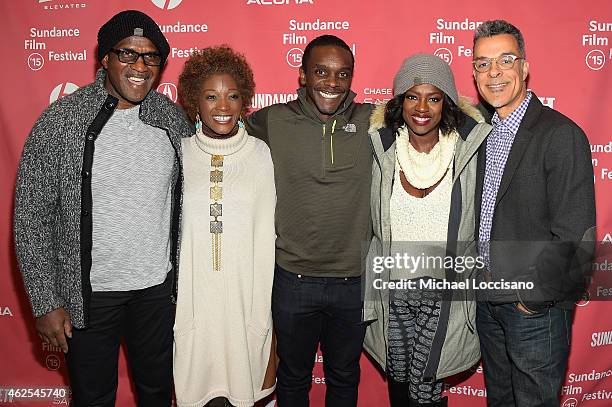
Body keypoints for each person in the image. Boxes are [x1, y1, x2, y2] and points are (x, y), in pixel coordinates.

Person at [13, 10, 192, 407]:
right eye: (127, 54)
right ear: (105, 59)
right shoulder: (61, 121)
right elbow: (31, 217)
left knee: (159, 394)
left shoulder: (171, 120)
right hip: (88, 296)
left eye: (150, 57)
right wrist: (45, 302)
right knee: (93, 398)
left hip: (157, 293)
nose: (140, 66)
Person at [472, 20, 596, 407]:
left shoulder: (560, 134)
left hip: (533, 312)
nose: (494, 73)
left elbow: (576, 236)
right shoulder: (479, 132)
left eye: (505, 60)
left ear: (524, 67)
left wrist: (532, 301)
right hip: (487, 301)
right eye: (482, 63)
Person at [246, 35, 373, 407]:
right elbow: (220, 130)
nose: (331, 83)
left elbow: (432, 118)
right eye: (321, 72)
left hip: (354, 280)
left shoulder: (373, 120)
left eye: (342, 74)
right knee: (293, 377)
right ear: (302, 75)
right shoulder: (272, 121)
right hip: (292, 279)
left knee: (345, 377)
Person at [363, 54, 491, 407]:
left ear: (446, 103)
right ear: (399, 101)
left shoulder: (469, 149)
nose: (422, 107)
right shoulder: (382, 148)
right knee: (401, 380)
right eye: (412, 96)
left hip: (444, 291)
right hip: (392, 288)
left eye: (433, 98)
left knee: (426, 381)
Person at [173, 45, 276, 407]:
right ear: (193, 102)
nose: (222, 106)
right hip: (194, 304)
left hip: (244, 304)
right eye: (211, 96)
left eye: (232, 96)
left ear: (244, 100)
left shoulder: (260, 154)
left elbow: (266, 241)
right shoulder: (179, 153)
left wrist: (263, 318)